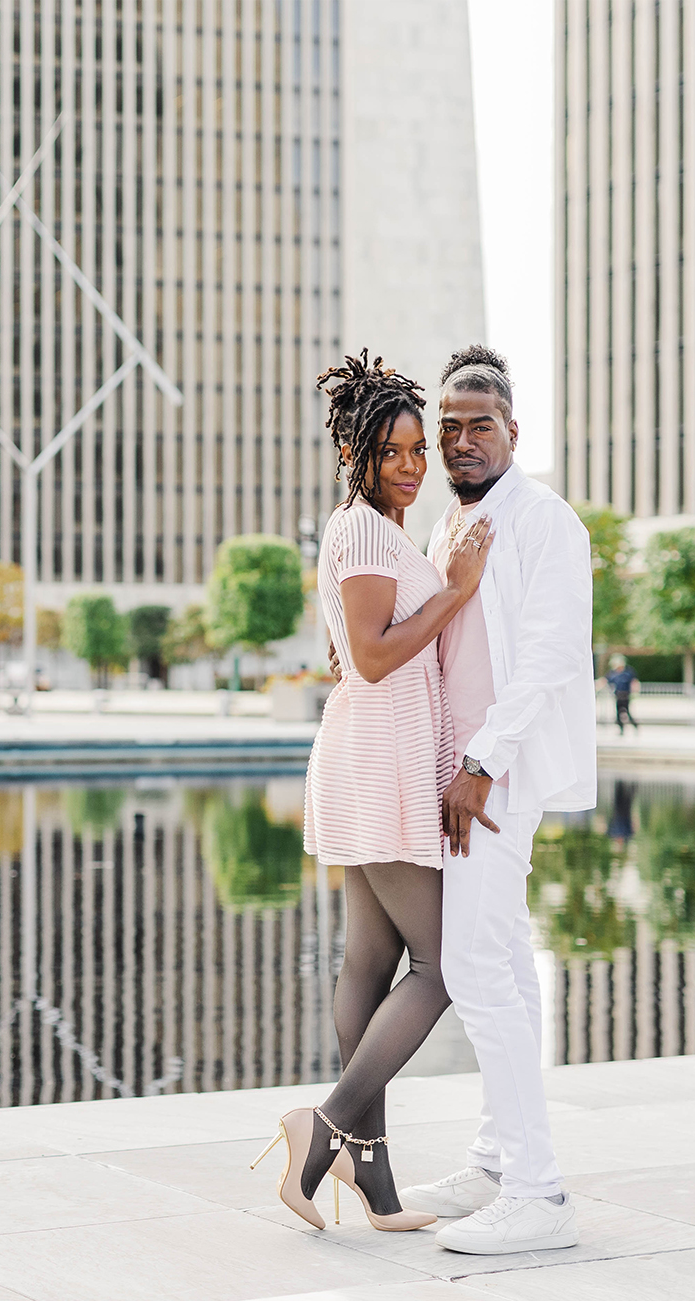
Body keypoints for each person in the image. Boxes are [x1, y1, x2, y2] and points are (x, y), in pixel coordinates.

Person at [254, 350, 491, 1234]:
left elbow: (360, 644)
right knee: (442, 966)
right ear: (355, 454)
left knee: (369, 962)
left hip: (377, 753)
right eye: (391, 451)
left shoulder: (382, 533)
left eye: (418, 449)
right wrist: (457, 592)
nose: (412, 465)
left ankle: (375, 1181)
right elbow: (374, 656)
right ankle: (322, 1128)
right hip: (379, 762)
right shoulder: (360, 529)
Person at [398, 345, 597, 1256]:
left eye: (480, 425)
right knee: (507, 964)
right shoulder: (452, 522)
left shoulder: (544, 521)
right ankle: (494, 1163)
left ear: (514, 430)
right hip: (456, 774)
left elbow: (550, 654)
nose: (462, 440)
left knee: (476, 967)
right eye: (450, 428)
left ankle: (537, 1193)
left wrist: (482, 761)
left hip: (495, 778)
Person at [605, 654, 639, 734]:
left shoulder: (628, 672)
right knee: (618, 714)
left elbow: (634, 682)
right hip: (618, 695)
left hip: (626, 695)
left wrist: (635, 692)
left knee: (627, 713)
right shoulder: (613, 673)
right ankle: (621, 729)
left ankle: (635, 726)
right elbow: (606, 680)